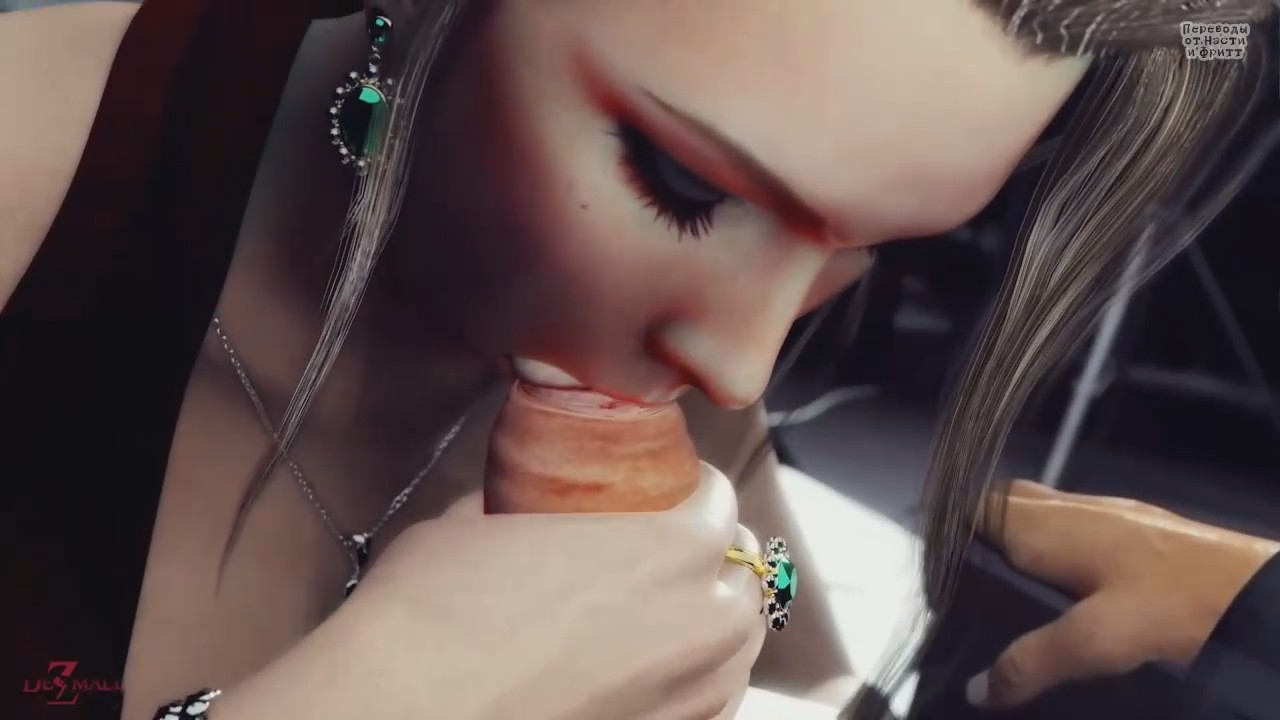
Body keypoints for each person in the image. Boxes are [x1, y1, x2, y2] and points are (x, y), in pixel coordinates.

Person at [0, 0, 1275, 719]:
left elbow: (784, 613)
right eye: (681, 183)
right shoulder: (35, 142)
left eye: (865, 246)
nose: (741, 363)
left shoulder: (626, 369)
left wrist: (745, 598)